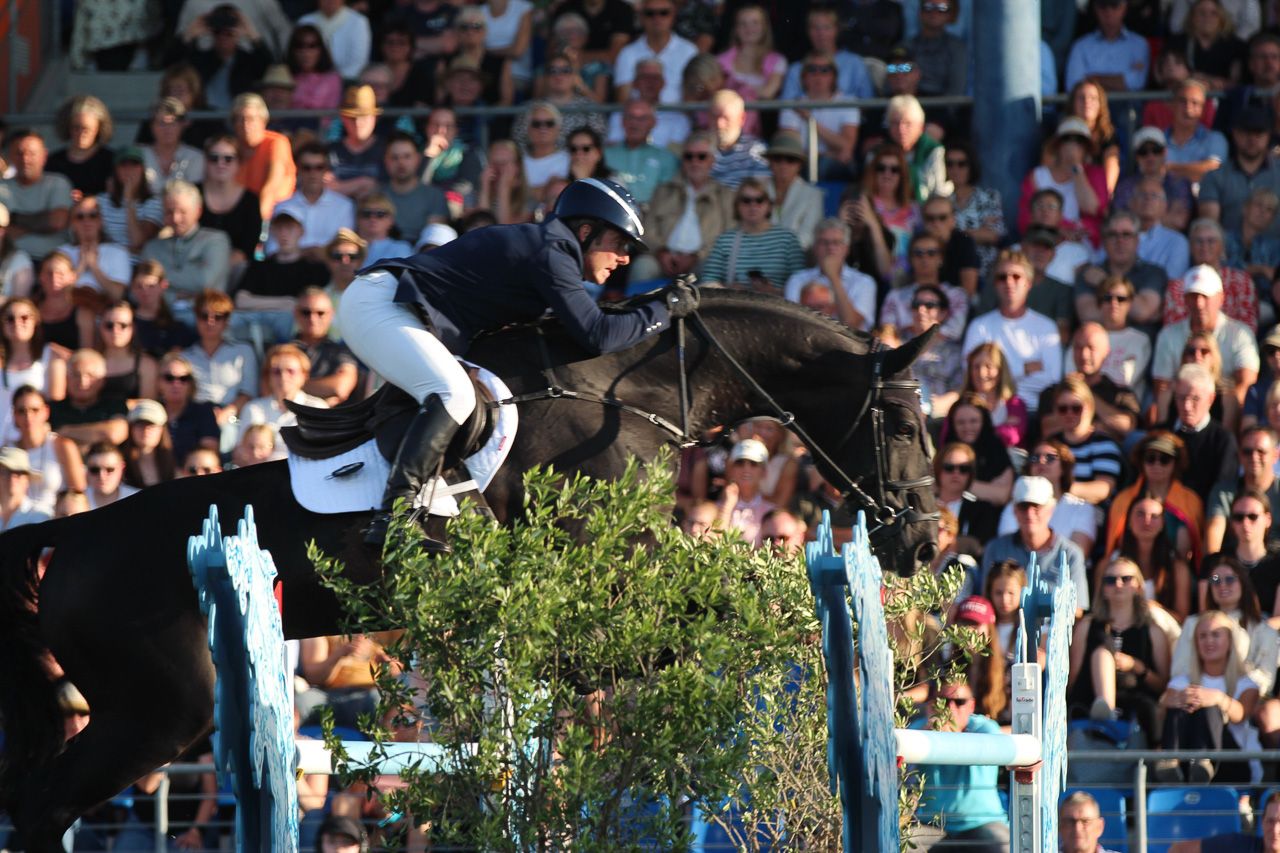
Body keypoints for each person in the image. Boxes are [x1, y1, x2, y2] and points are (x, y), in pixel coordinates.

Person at [337, 178, 686, 552]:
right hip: (381, 305)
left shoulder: (551, 250)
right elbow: (598, 335)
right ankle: (394, 517)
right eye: (620, 243)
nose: (625, 258)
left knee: (461, 393)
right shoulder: (552, 251)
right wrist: (664, 309)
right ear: (586, 232)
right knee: (454, 394)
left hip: (401, 310)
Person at [1157, 609, 1261, 783]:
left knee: (1210, 708)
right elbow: (1164, 704)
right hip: (1186, 760)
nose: (1209, 641)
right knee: (1180, 705)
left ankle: (1203, 761)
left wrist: (1219, 699)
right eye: (1203, 636)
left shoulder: (1246, 683)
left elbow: (1241, 714)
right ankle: (1170, 762)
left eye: (1215, 635)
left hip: (1230, 761)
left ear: (1230, 641)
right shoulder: (1182, 681)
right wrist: (1179, 699)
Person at [908, 677, 1010, 853]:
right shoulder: (918, 730)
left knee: (1004, 846)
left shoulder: (985, 728)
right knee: (900, 845)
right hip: (932, 826)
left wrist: (948, 738)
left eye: (959, 702)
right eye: (942, 701)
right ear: (931, 705)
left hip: (982, 823)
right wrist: (928, 736)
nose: (950, 708)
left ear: (971, 706)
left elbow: (998, 750)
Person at [1069, 557, 1169, 733]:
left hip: (1135, 705)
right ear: (1103, 589)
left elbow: (1163, 686)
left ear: (1139, 587)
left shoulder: (1153, 632)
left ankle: (1108, 712)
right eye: (1110, 580)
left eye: (1126, 579)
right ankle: (1106, 710)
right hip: (1089, 702)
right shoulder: (1087, 625)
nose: (1118, 584)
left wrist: (1136, 666)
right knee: (1101, 650)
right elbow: (1073, 676)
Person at [962, 250, 1062, 415]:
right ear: (995, 283)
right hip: (988, 412)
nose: (1009, 282)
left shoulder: (1047, 327)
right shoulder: (979, 326)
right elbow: (971, 374)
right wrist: (1025, 368)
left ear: (1028, 283)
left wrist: (997, 374)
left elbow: (1052, 379)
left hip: (1035, 411)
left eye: (1016, 276)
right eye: (1002, 277)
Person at [1152, 264, 1259, 418]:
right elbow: (1161, 387)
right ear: (1185, 299)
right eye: (1193, 296)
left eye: (1205, 296)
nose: (1199, 304)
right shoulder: (1168, 335)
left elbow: (1246, 385)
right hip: (1182, 409)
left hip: (1223, 410)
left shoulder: (1241, 334)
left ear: (1220, 298)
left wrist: (1221, 413)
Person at [982, 475, 1090, 612]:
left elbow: (1077, 609)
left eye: (1037, 507)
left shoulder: (1070, 554)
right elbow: (985, 601)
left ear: (1051, 509)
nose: (1029, 513)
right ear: (1014, 510)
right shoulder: (996, 549)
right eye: (1023, 506)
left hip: (1053, 625)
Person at [1105, 431, 1204, 564]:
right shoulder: (1123, 500)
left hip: (1174, 569)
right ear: (1141, 461)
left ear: (1176, 463)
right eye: (1150, 458)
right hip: (1130, 566)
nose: (1157, 465)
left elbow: (1190, 552)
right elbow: (1116, 545)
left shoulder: (1190, 500)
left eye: (1164, 459)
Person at [139, 181, 232, 315]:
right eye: (169, 212)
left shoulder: (216, 241)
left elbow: (204, 281)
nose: (176, 218)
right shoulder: (152, 248)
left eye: (182, 212)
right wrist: (176, 297)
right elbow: (139, 290)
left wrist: (159, 278)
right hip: (162, 318)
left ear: (198, 211)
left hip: (206, 319)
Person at [699, 178, 805, 293]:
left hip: (779, 303)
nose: (753, 205)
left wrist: (773, 291)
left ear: (769, 205)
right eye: (746, 200)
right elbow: (708, 281)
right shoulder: (725, 240)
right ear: (737, 206)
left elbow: (801, 284)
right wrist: (728, 290)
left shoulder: (788, 239)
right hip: (735, 303)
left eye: (759, 200)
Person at [1018, 118, 1109, 249]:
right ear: (1058, 145)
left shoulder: (1095, 174)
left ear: (1086, 148)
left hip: (1081, 246)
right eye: (1067, 139)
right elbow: (1026, 217)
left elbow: (1093, 209)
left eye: (1079, 141)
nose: (1072, 145)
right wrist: (1061, 229)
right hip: (1042, 242)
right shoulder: (1037, 175)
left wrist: (1076, 168)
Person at [998, 439, 1098, 556]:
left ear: (1064, 467)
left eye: (1050, 458)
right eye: (1035, 458)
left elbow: (1076, 556)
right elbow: (1006, 552)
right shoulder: (1015, 507)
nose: (1041, 461)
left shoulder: (1081, 508)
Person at [1199, 106, 1280, 243]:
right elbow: (1209, 228)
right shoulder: (1214, 177)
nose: (1252, 139)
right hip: (1228, 252)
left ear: (1268, 136)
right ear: (1235, 133)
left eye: (1258, 133)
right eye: (1246, 132)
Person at [182, 290, 259, 432]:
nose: (210, 322)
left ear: (226, 321)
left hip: (233, 420)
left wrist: (225, 415)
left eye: (218, 317)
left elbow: (249, 393)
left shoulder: (244, 351)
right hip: (194, 418)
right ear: (196, 318)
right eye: (204, 316)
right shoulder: (184, 357)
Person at [1073, 210, 1167, 327]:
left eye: (1126, 234)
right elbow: (1088, 315)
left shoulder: (1153, 273)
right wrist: (1132, 309)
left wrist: (1104, 282)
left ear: (1137, 241)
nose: (1120, 241)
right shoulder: (1089, 273)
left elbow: (1142, 312)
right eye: (1113, 235)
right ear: (1104, 241)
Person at [782, 219, 877, 332]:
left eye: (836, 242)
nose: (830, 248)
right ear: (815, 247)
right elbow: (793, 321)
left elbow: (852, 325)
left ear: (846, 249)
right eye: (824, 242)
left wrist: (833, 277)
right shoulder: (797, 280)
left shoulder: (864, 282)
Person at [777, 52, 858, 181]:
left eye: (825, 70)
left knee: (829, 165)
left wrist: (809, 119)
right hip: (802, 163)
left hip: (834, 165)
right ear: (803, 77)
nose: (818, 75)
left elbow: (846, 145)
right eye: (812, 69)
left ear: (834, 76)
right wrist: (827, 154)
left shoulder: (848, 103)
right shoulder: (792, 106)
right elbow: (790, 149)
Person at [1044, 377, 1122, 506]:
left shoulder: (1103, 443)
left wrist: (1061, 488)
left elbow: (1103, 489)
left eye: (1076, 408)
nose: (1069, 413)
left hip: (1090, 510)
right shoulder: (1050, 444)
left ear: (1089, 407)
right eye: (1063, 408)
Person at [0, 130, 73, 262]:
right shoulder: (1, 186)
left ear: (44, 156)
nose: (25, 159)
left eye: (32, 153)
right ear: (10, 156)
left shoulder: (58, 183)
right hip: (10, 263)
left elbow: (56, 222)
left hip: (52, 263)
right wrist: (40, 222)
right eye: (19, 153)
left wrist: (13, 218)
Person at [8, 386, 82, 514]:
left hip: (58, 521)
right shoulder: (7, 452)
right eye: (21, 411)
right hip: (19, 522)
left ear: (46, 412)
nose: (28, 416)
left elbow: (79, 494)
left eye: (35, 410)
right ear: (14, 415)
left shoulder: (63, 446)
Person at [612, 0, 697, 104]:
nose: (657, 18)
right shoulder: (627, 53)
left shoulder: (689, 51)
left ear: (673, 16)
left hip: (678, 113)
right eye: (650, 13)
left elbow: (695, 95)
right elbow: (623, 99)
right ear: (641, 17)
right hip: (639, 113)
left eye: (664, 13)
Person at [198, 134, 262, 267]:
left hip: (235, 269)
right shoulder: (192, 194)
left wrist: (219, 268)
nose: (221, 164)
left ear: (238, 163)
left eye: (228, 159)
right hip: (195, 264)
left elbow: (247, 247)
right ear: (206, 161)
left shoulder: (251, 201)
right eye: (214, 158)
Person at [1114, 126, 1194, 233]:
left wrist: (1143, 219)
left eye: (1156, 150)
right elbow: (1119, 221)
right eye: (1143, 152)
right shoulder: (1125, 186)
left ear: (1164, 153)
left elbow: (1179, 221)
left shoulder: (1179, 183)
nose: (1150, 156)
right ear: (1137, 156)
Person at [945, 141, 1005, 281]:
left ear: (971, 166)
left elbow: (994, 235)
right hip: (954, 274)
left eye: (961, 164)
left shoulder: (989, 197)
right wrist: (977, 232)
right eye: (950, 163)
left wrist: (956, 234)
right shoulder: (944, 202)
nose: (955, 169)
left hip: (987, 273)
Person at [231, 93, 296, 221]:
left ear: (263, 121)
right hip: (241, 212)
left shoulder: (277, 143)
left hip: (277, 215)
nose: (245, 124)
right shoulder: (232, 147)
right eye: (240, 119)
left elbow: (271, 188)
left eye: (251, 119)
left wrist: (258, 222)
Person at [943, 394, 1015, 506]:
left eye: (973, 421)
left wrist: (957, 484)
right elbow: (937, 487)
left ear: (984, 421)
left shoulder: (996, 449)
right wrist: (985, 489)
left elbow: (1002, 495)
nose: (967, 427)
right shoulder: (946, 451)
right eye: (961, 422)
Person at [1065, 0, 1150, 93]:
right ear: (1095, 8)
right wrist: (1120, 82)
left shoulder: (1139, 44)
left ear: (1125, 7)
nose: (1108, 11)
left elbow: (1137, 83)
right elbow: (1074, 87)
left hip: (1127, 104)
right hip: (1092, 103)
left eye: (1115, 5)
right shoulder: (1080, 46)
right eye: (1102, 5)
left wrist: (1092, 79)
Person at [292, 288, 359, 406]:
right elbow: (269, 387)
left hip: (329, 416)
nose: (313, 318)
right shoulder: (281, 350)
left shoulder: (343, 351)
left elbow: (341, 387)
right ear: (296, 313)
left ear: (331, 315)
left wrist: (291, 385)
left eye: (320, 313)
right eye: (306, 312)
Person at [603, 100, 678, 206]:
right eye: (630, 117)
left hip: (653, 214)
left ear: (653, 123)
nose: (635, 123)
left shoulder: (667, 158)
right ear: (622, 121)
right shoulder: (605, 155)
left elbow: (668, 199)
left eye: (642, 119)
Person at [58, 195, 131, 301]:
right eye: (80, 217)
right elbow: (58, 294)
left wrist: (94, 266)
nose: (86, 221)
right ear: (72, 224)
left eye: (92, 216)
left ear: (101, 221)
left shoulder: (118, 252)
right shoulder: (62, 253)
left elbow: (117, 295)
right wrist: (81, 267)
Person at [381, 133, 448, 243]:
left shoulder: (435, 196)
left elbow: (433, 240)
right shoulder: (376, 196)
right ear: (386, 161)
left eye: (407, 156)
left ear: (417, 159)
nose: (401, 162)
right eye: (394, 158)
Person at [46, 95, 116, 199]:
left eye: (86, 129)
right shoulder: (54, 162)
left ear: (98, 129)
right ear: (67, 127)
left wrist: (87, 199)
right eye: (76, 128)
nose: (81, 134)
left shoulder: (111, 161)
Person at [156, 353, 219, 465]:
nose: (176, 384)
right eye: (169, 378)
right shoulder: (151, 412)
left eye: (183, 379)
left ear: (191, 384)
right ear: (159, 382)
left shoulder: (203, 412)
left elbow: (209, 452)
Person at [1167, 0, 1246, 90]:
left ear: (1221, 18)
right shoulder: (1176, 44)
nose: (1207, 17)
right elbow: (1169, 75)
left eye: (1214, 13)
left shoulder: (1236, 46)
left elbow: (1237, 82)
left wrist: (1202, 79)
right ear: (1192, 17)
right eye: (1201, 13)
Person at [763, 132, 823, 249]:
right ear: (770, 162)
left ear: (799, 165)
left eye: (790, 160)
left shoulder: (813, 195)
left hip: (797, 255)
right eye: (777, 159)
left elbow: (808, 235)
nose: (783, 165)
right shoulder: (757, 190)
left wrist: (782, 252)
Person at [1168, 790, 1280, 853]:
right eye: (1270, 821)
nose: (1275, 829)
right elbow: (1178, 849)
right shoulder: (1238, 845)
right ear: (1262, 822)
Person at [1066, 79, 1122, 194]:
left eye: (1093, 98)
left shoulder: (1108, 135)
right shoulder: (1063, 133)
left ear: (1100, 104)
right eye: (1081, 97)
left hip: (1098, 193)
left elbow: (1111, 169)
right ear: (1073, 103)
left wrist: (1103, 196)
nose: (1087, 102)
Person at [707, 89, 770, 191]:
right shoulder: (697, 151)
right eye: (715, 117)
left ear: (742, 118)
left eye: (726, 118)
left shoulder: (756, 151)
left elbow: (759, 193)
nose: (719, 124)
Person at [97, 300, 157, 403]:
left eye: (123, 325)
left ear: (132, 328)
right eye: (109, 325)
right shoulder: (88, 362)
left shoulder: (146, 365)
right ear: (100, 328)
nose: (115, 331)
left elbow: (148, 406)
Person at [1129, 178, 1190, 281]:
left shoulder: (1177, 242)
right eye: (1142, 194)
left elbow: (1172, 281)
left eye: (1154, 195)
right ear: (1132, 203)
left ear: (1164, 206)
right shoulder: (1117, 236)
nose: (1148, 199)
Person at [298, 0, 371, 81]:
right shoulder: (305, 21)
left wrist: (332, 81)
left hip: (346, 81)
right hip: (308, 81)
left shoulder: (358, 22)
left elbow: (358, 63)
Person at [120, 399, 176, 489]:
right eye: (140, 425)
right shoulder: (118, 463)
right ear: (131, 429)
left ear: (162, 430)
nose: (146, 430)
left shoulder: (174, 462)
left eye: (151, 425)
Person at [0, 446, 52, 531]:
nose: (12, 478)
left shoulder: (40, 515)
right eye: (5, 472)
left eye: (19, 473)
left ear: (27, 480)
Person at [82, 440, 138, 509]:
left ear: (122, 468)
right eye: (94, 470)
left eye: (110, 469)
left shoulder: (138, 500)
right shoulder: (76, 502)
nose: (102, 476)